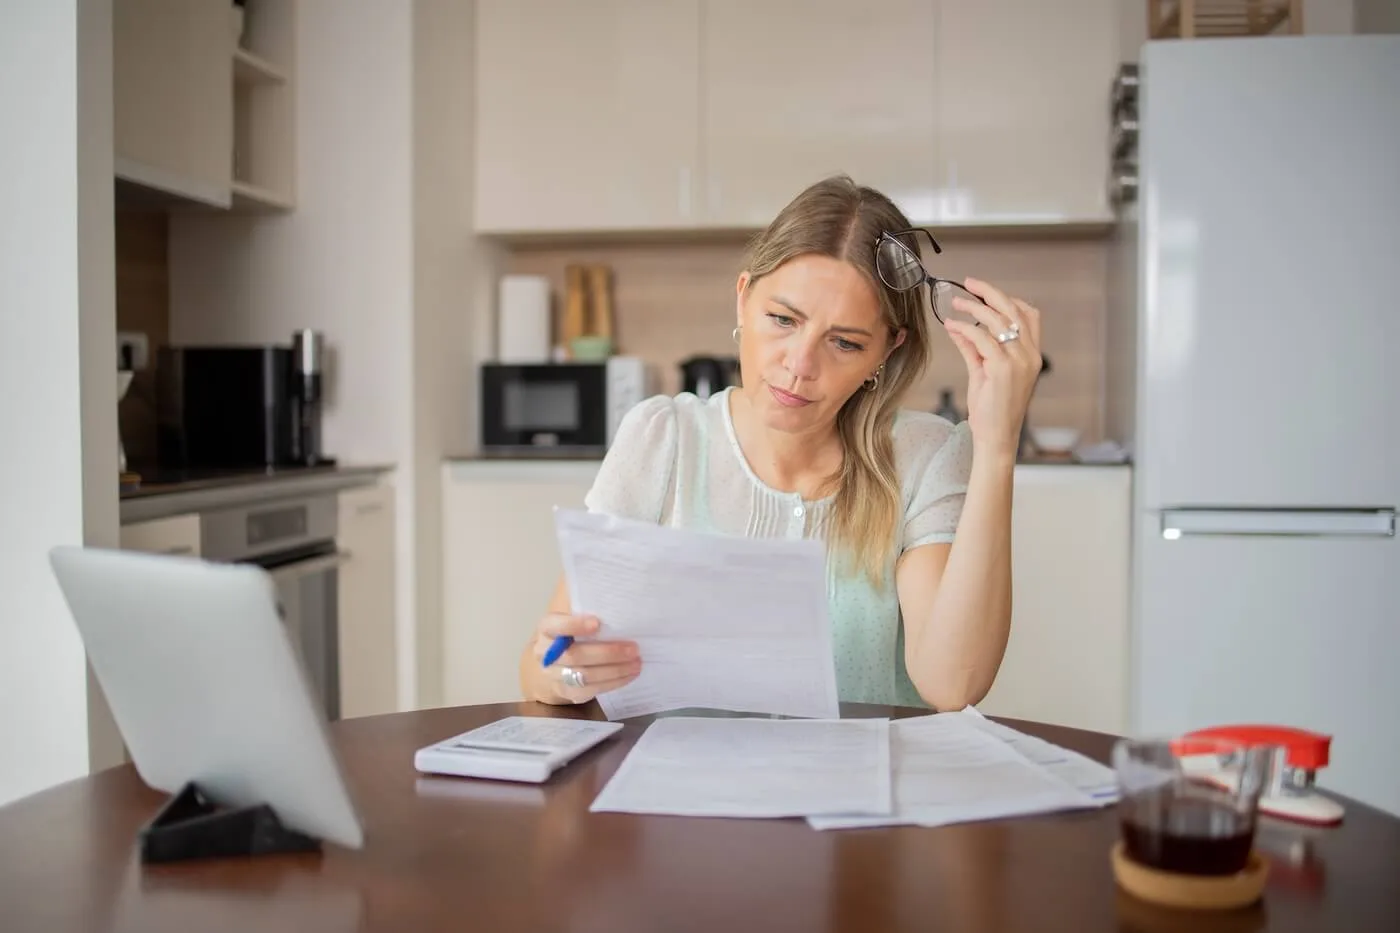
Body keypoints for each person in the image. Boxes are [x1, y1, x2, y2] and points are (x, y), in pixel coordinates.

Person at [518, 174, 1044, 711]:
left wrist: (997, 445)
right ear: (743, 300)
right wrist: (564, 674)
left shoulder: (922, 457)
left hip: (857, 789)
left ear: (886, 351)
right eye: (782, 320)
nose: (799, 365)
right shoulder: (662, 439)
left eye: (844, 342)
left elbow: (952, 684)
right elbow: (542, 667)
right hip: (685, 788)